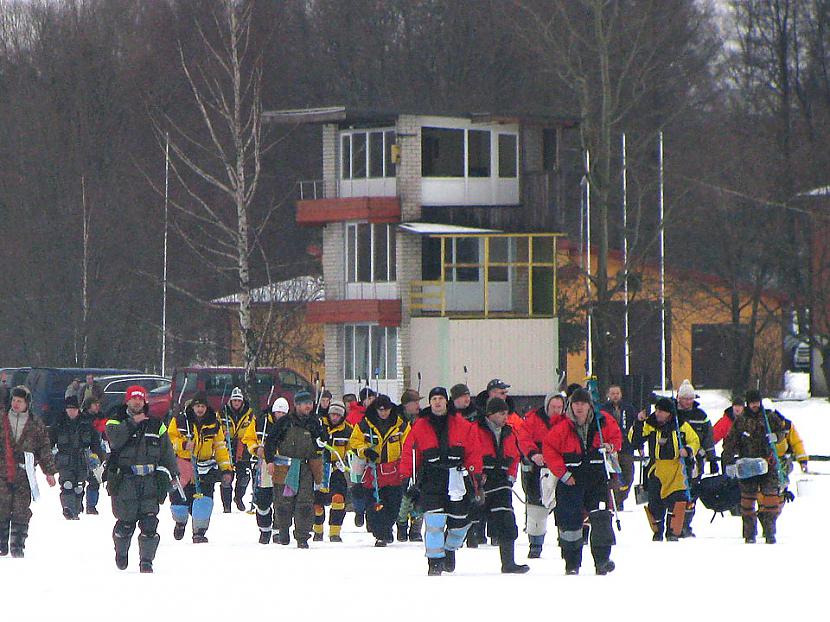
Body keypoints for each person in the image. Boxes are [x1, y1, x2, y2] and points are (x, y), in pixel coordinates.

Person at [400, 387, 482, 576]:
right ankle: (434, 562)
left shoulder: (463, 425)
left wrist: (475, 476)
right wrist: (407, 478)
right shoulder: (420, 426)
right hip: (431, 478)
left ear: (447, 401)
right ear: (430, 402)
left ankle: (450, 548)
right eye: (434, 398)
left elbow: (473, 452)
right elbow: (410, 454)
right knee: (434, 522)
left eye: (440, 398)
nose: (437, 402)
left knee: (460, 523)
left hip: (457, 477)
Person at [542, 388, 621, 575]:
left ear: (589, 405)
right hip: (571, 480)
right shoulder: (561, 427)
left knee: (601, 518)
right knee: (570, 522)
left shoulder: (603, 423)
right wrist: (563, 474)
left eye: (583, 403)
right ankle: (571, 563)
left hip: (597, 479)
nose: (579, 407)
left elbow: (617, 437)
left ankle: (602, 560)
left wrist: (610, 447)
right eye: (575, 403)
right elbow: (549, 450)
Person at [105, 385, 177, 573]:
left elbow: (167, 451)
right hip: (125, 481)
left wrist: (172, 473)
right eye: (133, 398)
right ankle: (121, 552)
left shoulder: (157, 424)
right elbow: (114, 440)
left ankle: (146, 561)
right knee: (125, 524)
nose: (137, 402)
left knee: (150, 523)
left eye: (140, 398)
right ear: (127, 401)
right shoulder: (115, 420)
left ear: (145, 401)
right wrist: (132, 423)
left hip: (150, 481)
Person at [629, 397, 700, 541]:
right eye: (657, 410)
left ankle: (673, 531)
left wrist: (688, 450)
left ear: (669, 413)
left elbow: (694, 440)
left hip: (676, 469)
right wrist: (638, 422)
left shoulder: (681, 425)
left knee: (678, 501)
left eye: (661, 411)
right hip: (657, 468)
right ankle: (658, 531)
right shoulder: (650, 424)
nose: (658, 414)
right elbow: (634, 439)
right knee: (655, 503)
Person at [472, 397, 530, 573]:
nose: (506, 417)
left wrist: (511, 476)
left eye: (506, 413)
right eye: (502, 413)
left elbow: (514, 456)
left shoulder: (510, 432)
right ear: (490, 414)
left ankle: (508, 562)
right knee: (464, 520)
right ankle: (447, 555)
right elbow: (471, 452)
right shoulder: (475, 430)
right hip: (479, 481)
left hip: (501, 482)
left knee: (507, 519)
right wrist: (476, 476)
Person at [722, 390, 788, 544]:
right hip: (747, 466)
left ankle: (770, 532)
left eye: (757, 402)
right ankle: (749, 535)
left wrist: (776, 437)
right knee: (747, 502)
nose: (755, 405)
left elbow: (783, 431)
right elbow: (730, 442)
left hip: (768, 465)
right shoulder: (741, 421)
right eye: (752, 403)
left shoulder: (770, 417)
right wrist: (729, 462)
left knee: (771, 500)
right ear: (747, 403)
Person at [167, 392, 233, 543]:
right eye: (197, 406)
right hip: (184, 464)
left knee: (204, 500)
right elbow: (170, 440)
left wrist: (226, 468)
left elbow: (220, 447)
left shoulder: (214, 423)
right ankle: (180, 522)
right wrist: (183, 444)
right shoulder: (180, 421)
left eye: (202, 406)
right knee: (179, 502)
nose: (200, 409)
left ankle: (199, 532)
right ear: (192, 407)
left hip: (205, 466)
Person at [0, 386, 57, 558]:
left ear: (27, 403)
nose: (16, 404)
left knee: (21, 509)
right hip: (2, 471)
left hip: (24, 474)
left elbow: (44, 448)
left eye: (20, 401)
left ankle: (18, 545)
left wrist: (49, 472)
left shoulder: (35, 423)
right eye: (14, 400)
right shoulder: (2, 419)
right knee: (1, 506)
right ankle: (1, 544)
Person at [265, 390, 326, 548]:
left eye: (310, 403)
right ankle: (283, 530)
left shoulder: (315, 423)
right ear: (296, 405)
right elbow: (270, 442)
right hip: (284, 467)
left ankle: (302, 537)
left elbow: (323, 442)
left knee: (305, 503)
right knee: (283, 502)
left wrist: (321, 442)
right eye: (305, 403)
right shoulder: (284, 422)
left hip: (306, 467)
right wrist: (270, 461)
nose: (308, 406)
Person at [350, 394, 410, 546]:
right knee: (374, 503)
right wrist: (365, 450)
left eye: (386, 410)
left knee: (394, 503)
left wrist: (405, 464)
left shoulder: (401, 425)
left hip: (394, 471)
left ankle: (387, 528)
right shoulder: (364, 425)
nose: (383, 413)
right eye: (380, 410)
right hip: (373, 471)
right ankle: (381, 534)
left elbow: (409, 443)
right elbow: (355, 441)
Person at [516, 392, 565, 558]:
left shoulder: (567, 421)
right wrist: (533, 454)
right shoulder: (532, 419)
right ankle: (535, 544)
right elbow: (523, 438)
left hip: (560, 467)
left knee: (563, 503)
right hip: (537, 467)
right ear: (547, 406)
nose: (556, 411)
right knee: (536, 505)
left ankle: (566, 539)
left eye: (560, 407)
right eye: (553, 407)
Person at [242, 397, 289, 544]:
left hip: (283, 465)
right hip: (263, 465)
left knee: (281, 500)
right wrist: (256, 449)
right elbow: (248, 439)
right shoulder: (260, 422)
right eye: (277, 412)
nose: (279, 415)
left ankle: (277, 530)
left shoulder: (291, 424)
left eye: (283, 413)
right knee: (263, 500)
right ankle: (264, 529)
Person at [674, 379, 717, 537]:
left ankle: (686, 524)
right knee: (677, 492)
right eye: (685, 398)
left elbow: (708, 438)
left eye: (690, 398)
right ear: (679, 398)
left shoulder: (701, 416)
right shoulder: (673, 414)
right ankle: (676, 525)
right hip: (675, 459)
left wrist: (712, 458)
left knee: (692, 493)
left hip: (696, 461)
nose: (688, 402)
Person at [50, 395, 101, 520]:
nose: (71, 411)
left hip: (82, 460)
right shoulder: (59, 423)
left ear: (78, 409)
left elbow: (95, 442)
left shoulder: (86, 423)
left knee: (78, 486)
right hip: (64, 459)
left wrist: (97, 456)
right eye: (69, 408)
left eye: (74, 408)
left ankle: (76, 510)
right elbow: (49, 441)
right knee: (67, 484)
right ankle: (68, 509)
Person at [313, 399, 352, 542]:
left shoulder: (348, 430)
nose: (334, 417)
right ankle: (317, 531)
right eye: (332, 414)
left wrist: (346, 460)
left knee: (338, 499)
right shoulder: (319, 425)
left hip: (337, 470)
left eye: (338, 415)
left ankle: (335, 532)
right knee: (317, 503)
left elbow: (351, 449)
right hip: (319, 468)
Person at [219, 387, 255, 513]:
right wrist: (223, 432)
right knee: (226, 476)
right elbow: (217, 427)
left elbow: (252, 428)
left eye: (238, 401)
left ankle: (238, 497)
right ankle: (226, 505)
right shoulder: (223, 412)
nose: (236, 403)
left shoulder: (249, 414)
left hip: (243, 447)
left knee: (244, 476)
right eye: (234, 400)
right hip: (227, 446)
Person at [602, 385, 637, 510]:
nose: (615, 396)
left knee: (628, 476)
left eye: (617, 393)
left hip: (627, 448)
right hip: (610, 449)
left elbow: (636, 427)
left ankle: (621, 498)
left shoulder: (629, 408)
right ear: (608, 395)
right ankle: (613, 501)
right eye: (612, 393)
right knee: (613, 477)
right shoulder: (603, 410)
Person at [396, 389, 424, 541]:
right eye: (415, 402)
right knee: (405, 497)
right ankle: (401, 525)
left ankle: (416, 529)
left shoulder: (420, 420)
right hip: (403, 462)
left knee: (419, 498)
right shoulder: (399, 421)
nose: (418, 405)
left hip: (419, 461)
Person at [347, 387, 376, 526]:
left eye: (372, 398)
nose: (370, 401)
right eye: (368, 398)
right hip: (359, 453)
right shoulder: (356, 414)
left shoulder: (378, 413)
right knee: (358, 484)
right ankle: (359, 510)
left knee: (373, 485)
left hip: (375, 453)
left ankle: (372, 515)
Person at [81, 396, 107, 514]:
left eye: (98, 404)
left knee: (95, 479)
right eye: (94, 404)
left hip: (97, 451)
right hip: (82, 452)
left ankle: (91, 506)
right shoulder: (81, 419)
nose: (97, 406)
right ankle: (77, 504)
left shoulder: (102, 418)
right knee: (79, 480)